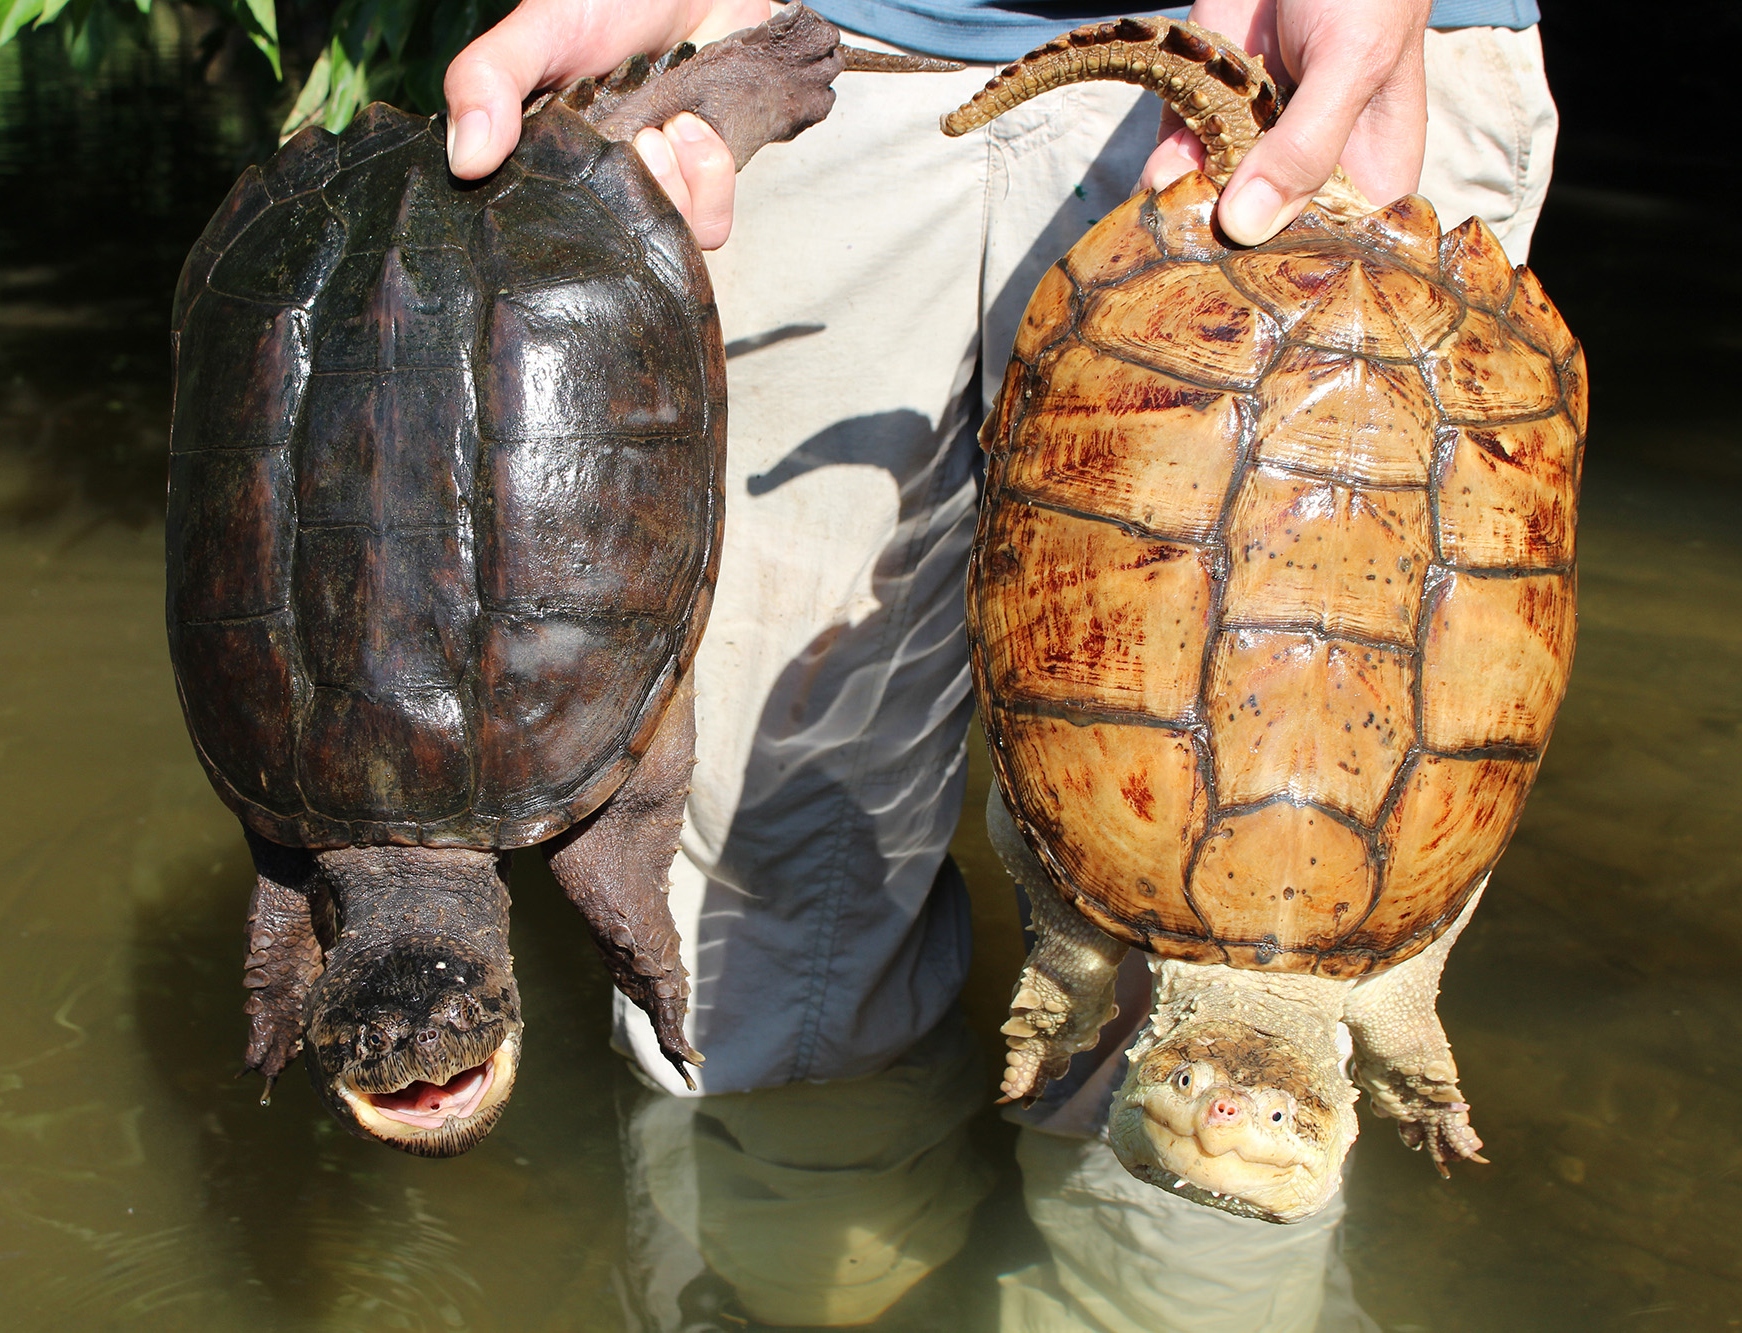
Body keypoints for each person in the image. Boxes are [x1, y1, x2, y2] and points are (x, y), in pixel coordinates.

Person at [440, 2, 1556, 1325]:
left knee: (1199, 1043)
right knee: (756, 863)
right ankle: (786, 1277)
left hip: (1323, 52)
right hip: (828, 47)